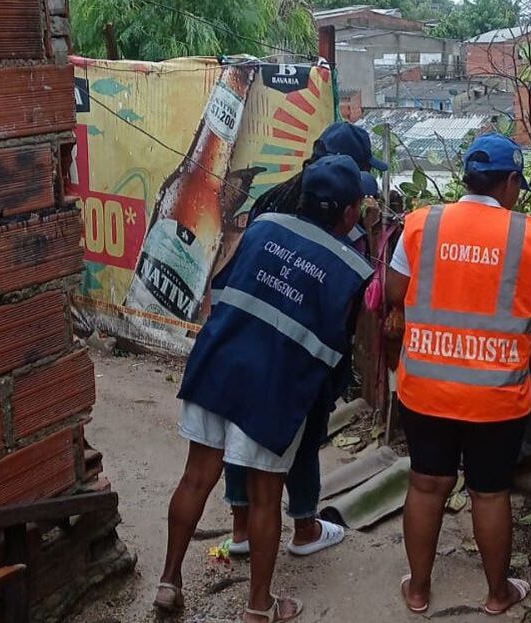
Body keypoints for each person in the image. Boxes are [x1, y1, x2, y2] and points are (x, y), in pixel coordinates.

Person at [155, 155, 375, 623]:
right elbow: (337, 347)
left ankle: (169, 581)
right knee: (265, 496)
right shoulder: (351, 271)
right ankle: (259, 605)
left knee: (196, 476)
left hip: (217, 363)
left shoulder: (264, 225)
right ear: (351, 211)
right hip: (274, 386)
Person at [385, 133, 531, 616]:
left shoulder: (421, 224)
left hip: (426, 389)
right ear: (508, 182)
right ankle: (496, 593)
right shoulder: (527, 236)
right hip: (495, 396)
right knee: (489, 492)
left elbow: (395, 291)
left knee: (426, 485)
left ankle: (418, 590)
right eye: (517, 186)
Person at [219, 122, 386, 557]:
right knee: (305, 431)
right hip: (304, 344)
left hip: (250, 335)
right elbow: (344, 301)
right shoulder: (338, 223)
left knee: (243, 423)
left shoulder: (272, 202)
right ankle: (304, 527)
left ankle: (241, 528)